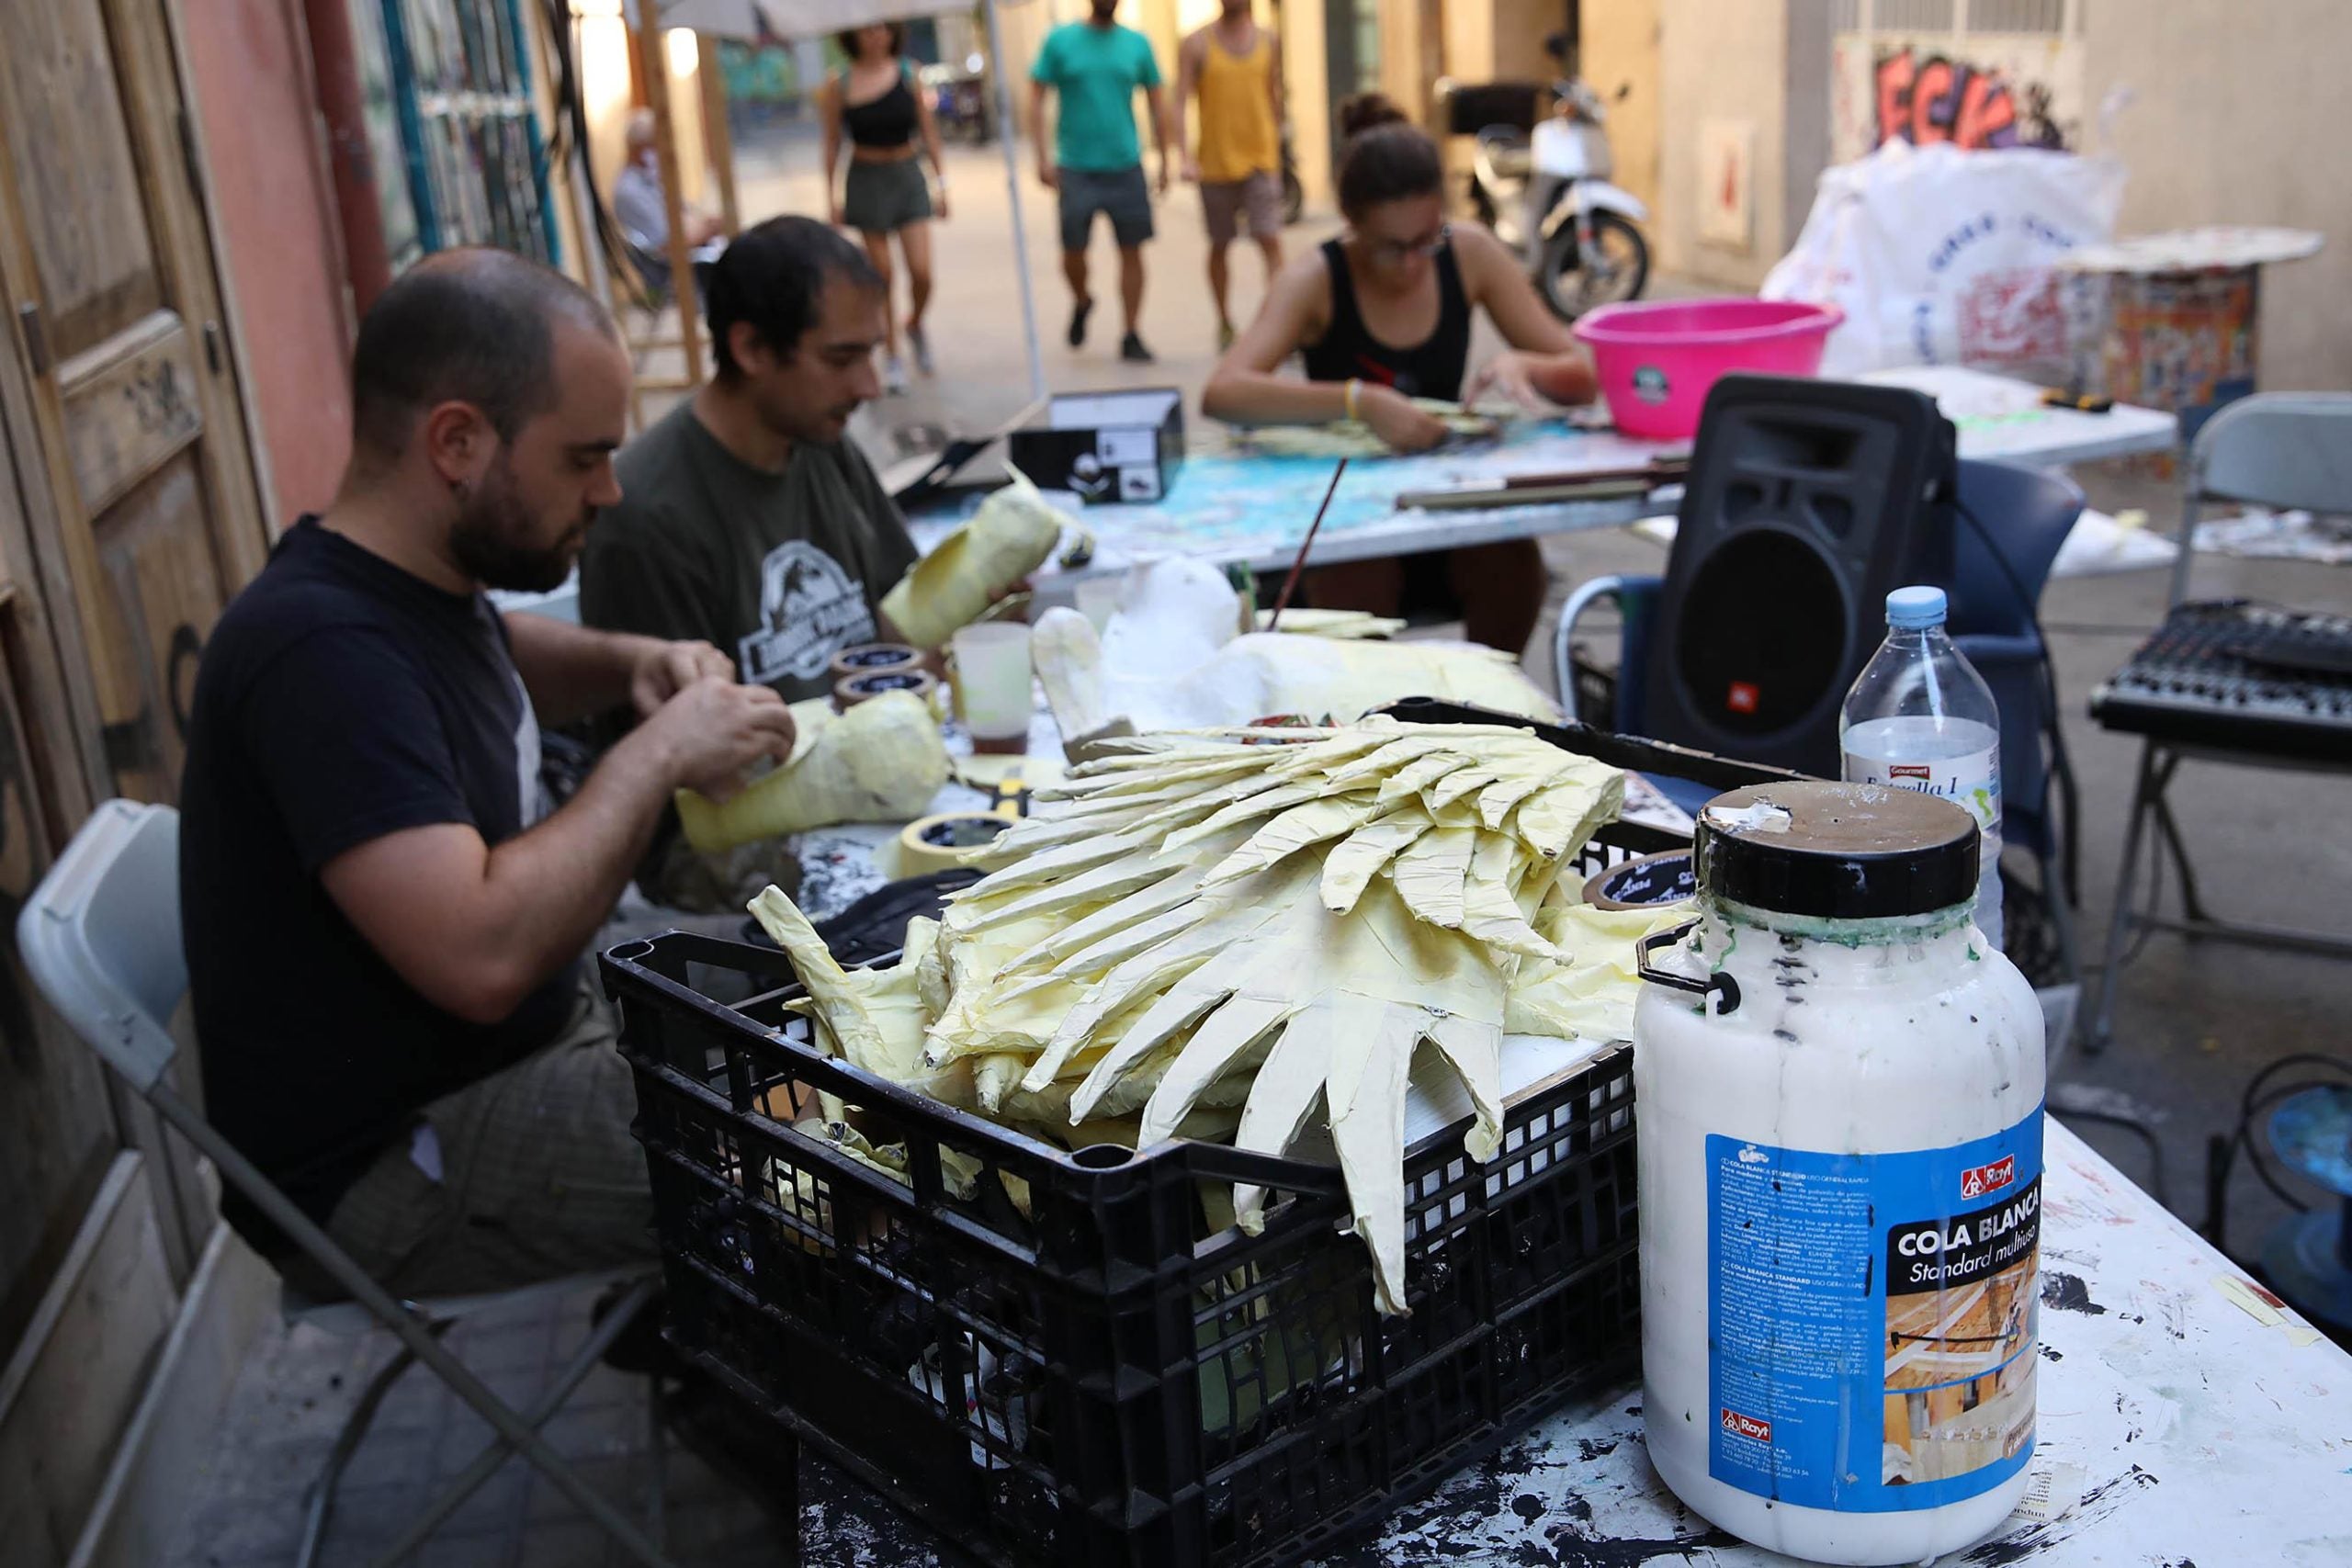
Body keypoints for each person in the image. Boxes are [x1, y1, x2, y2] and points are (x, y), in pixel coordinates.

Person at [180, 250, 797, 1299]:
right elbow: (482, 956)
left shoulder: (404, 579)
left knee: (844, 979)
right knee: (845, 1150)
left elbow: (484, 656)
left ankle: (729, 1330)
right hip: (392, 1162)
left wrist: (628, 664)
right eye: (582, 459)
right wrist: (654, 755)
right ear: (457, 442)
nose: (608, 490)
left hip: (516, 1048)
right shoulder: (317, 656)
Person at [577, 217, 920, 907]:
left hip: (863, 783)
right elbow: (699, 799)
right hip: (725, 848)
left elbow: (900, 623)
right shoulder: (648, 513)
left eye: (873, 353)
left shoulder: (822, 442)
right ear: (751, 347)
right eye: (842, 357)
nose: (870, 385)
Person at [1201, 94, 1599, 654]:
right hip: (1352, 512)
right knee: (1358, 577)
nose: (1414, 264)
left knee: (1510, 562)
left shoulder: (1469, 253)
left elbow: (1582, 375)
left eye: (1425, 241)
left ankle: (1491, 705)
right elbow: (1224, 392)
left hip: (1445, 499)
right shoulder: (1315, 278)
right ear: (1352, 226)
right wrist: (1358, 401)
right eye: (1393, 249)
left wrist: (1524, 363)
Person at [1029, 0, 1175, 364]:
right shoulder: (1060, 41)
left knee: (1133, 250)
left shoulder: (1137, 44)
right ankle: (1082, 299)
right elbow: (1036, 96)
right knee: (1072, 253)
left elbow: (1158, 102)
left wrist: (1166, 160)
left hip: (1126, 164)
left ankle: (1131, 332)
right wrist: (1042, 157)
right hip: (1076, 167)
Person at [820, 22, 949, 394]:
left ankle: (915, 323)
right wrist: (830, 196)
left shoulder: (909, 74)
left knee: (922, 271)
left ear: (893, 33)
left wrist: (941, 183)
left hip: (907, 174)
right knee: (883, 276)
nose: (876, 37)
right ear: (853, 36)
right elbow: (831, 142)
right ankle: (891, 353)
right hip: (866, 178)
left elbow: (928, 131)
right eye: (867, 31)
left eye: (882, 30)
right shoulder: (839, 83)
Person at [1177, 0, 1284, 350]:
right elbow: (1179, 101)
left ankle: (1279, 324)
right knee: (1220, 244)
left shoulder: (1270, 40)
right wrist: (1184, 156)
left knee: (1270, 239)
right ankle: (1224, 321)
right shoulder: (1196, 43)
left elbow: (1273, 95)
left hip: (1260, 161)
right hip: (1215, 162)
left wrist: (1279, 150)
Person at [613, 108, 723, 287]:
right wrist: (708, 229)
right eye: (657, 146)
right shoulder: (629, 191)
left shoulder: (651, 179)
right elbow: (666, 246)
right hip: (676, 269)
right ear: (640, 149)